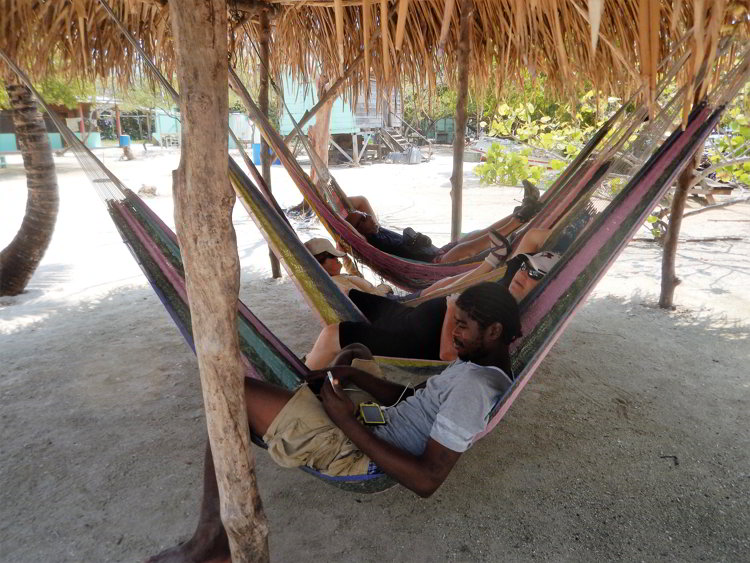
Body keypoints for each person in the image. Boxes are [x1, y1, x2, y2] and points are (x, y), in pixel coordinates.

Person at [147, 284, 521, 563]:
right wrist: (355, 377)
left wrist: (344, 421)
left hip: (360, 452)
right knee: (355, 352)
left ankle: (211, 539)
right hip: (375, 419)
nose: (453, 333)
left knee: (231, 393)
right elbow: (415, 402)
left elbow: (427, 480)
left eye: (462, 326)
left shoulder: (475, 388)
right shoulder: (477, 363)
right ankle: (297, 404)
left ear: (493, 331)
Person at [304, 245, 560, 369]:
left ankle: (303, 384)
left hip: (409, 341)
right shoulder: (505, 291)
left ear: (547, 288)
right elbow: (534, 237)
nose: (524, 274)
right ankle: (316, 361)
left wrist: (451, 306)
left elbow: (449, 356)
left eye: (536, 275)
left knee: (333, 334)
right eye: (526, 267)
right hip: (406, 316)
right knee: (345, 294)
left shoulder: (498, 322)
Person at [345, 181, 542, 264]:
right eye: (363, 218)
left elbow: (360, 200)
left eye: (365, 213)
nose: (367, 215)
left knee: (476, 234)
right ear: (360, 230)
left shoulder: (376, 228)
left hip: (437, 251)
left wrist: (340, 205)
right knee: (467, 247)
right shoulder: (369, 240)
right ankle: (521, 219)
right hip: (433, 265)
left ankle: (520, 212)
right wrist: (336, 218)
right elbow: (346, 229)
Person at [304, 237, 393, 296]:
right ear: (319, 265)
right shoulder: (337, 284)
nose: (337, 257)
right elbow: (370, 299)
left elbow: (356, 277)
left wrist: (345, 257)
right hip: (386, 302)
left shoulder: (336, 279)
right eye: (331, 255)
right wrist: (385, 287)